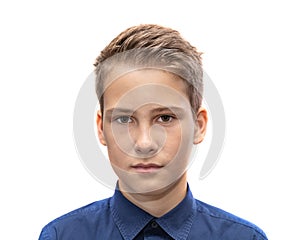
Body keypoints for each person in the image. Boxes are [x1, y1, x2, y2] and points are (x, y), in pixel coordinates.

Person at [39, 24, 268, 240]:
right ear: (101, 128)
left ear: (199, 126)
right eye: (124, 119)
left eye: (165, 118)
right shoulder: (62, 235)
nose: (144, 143)